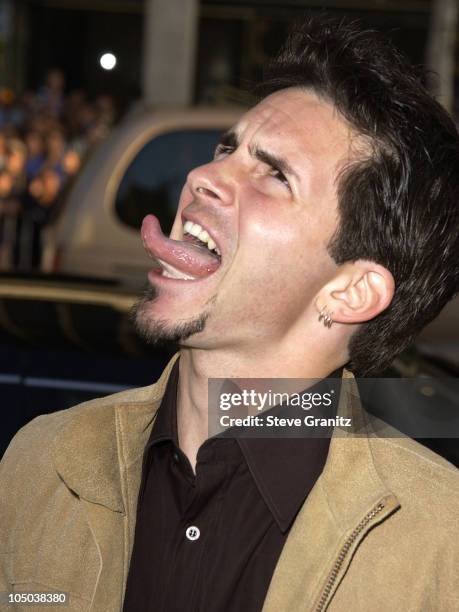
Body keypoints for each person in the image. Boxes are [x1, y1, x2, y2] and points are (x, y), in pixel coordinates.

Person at [1, 16, 458, 612]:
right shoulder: (39, 462)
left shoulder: (439, 549)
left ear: (349, 291)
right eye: (226, 148)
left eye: (274, 174)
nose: (201, 177)